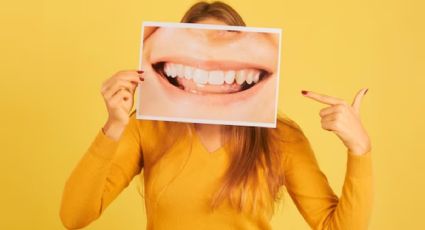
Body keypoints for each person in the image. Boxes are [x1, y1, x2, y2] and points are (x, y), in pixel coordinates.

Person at [60, 1, 373, 229]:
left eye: (227, 42)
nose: (208, 61)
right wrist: (113, 126)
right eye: (193, 45)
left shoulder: (281, 137)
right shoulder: (147, 126)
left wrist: (359, 150)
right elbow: (74, 216)